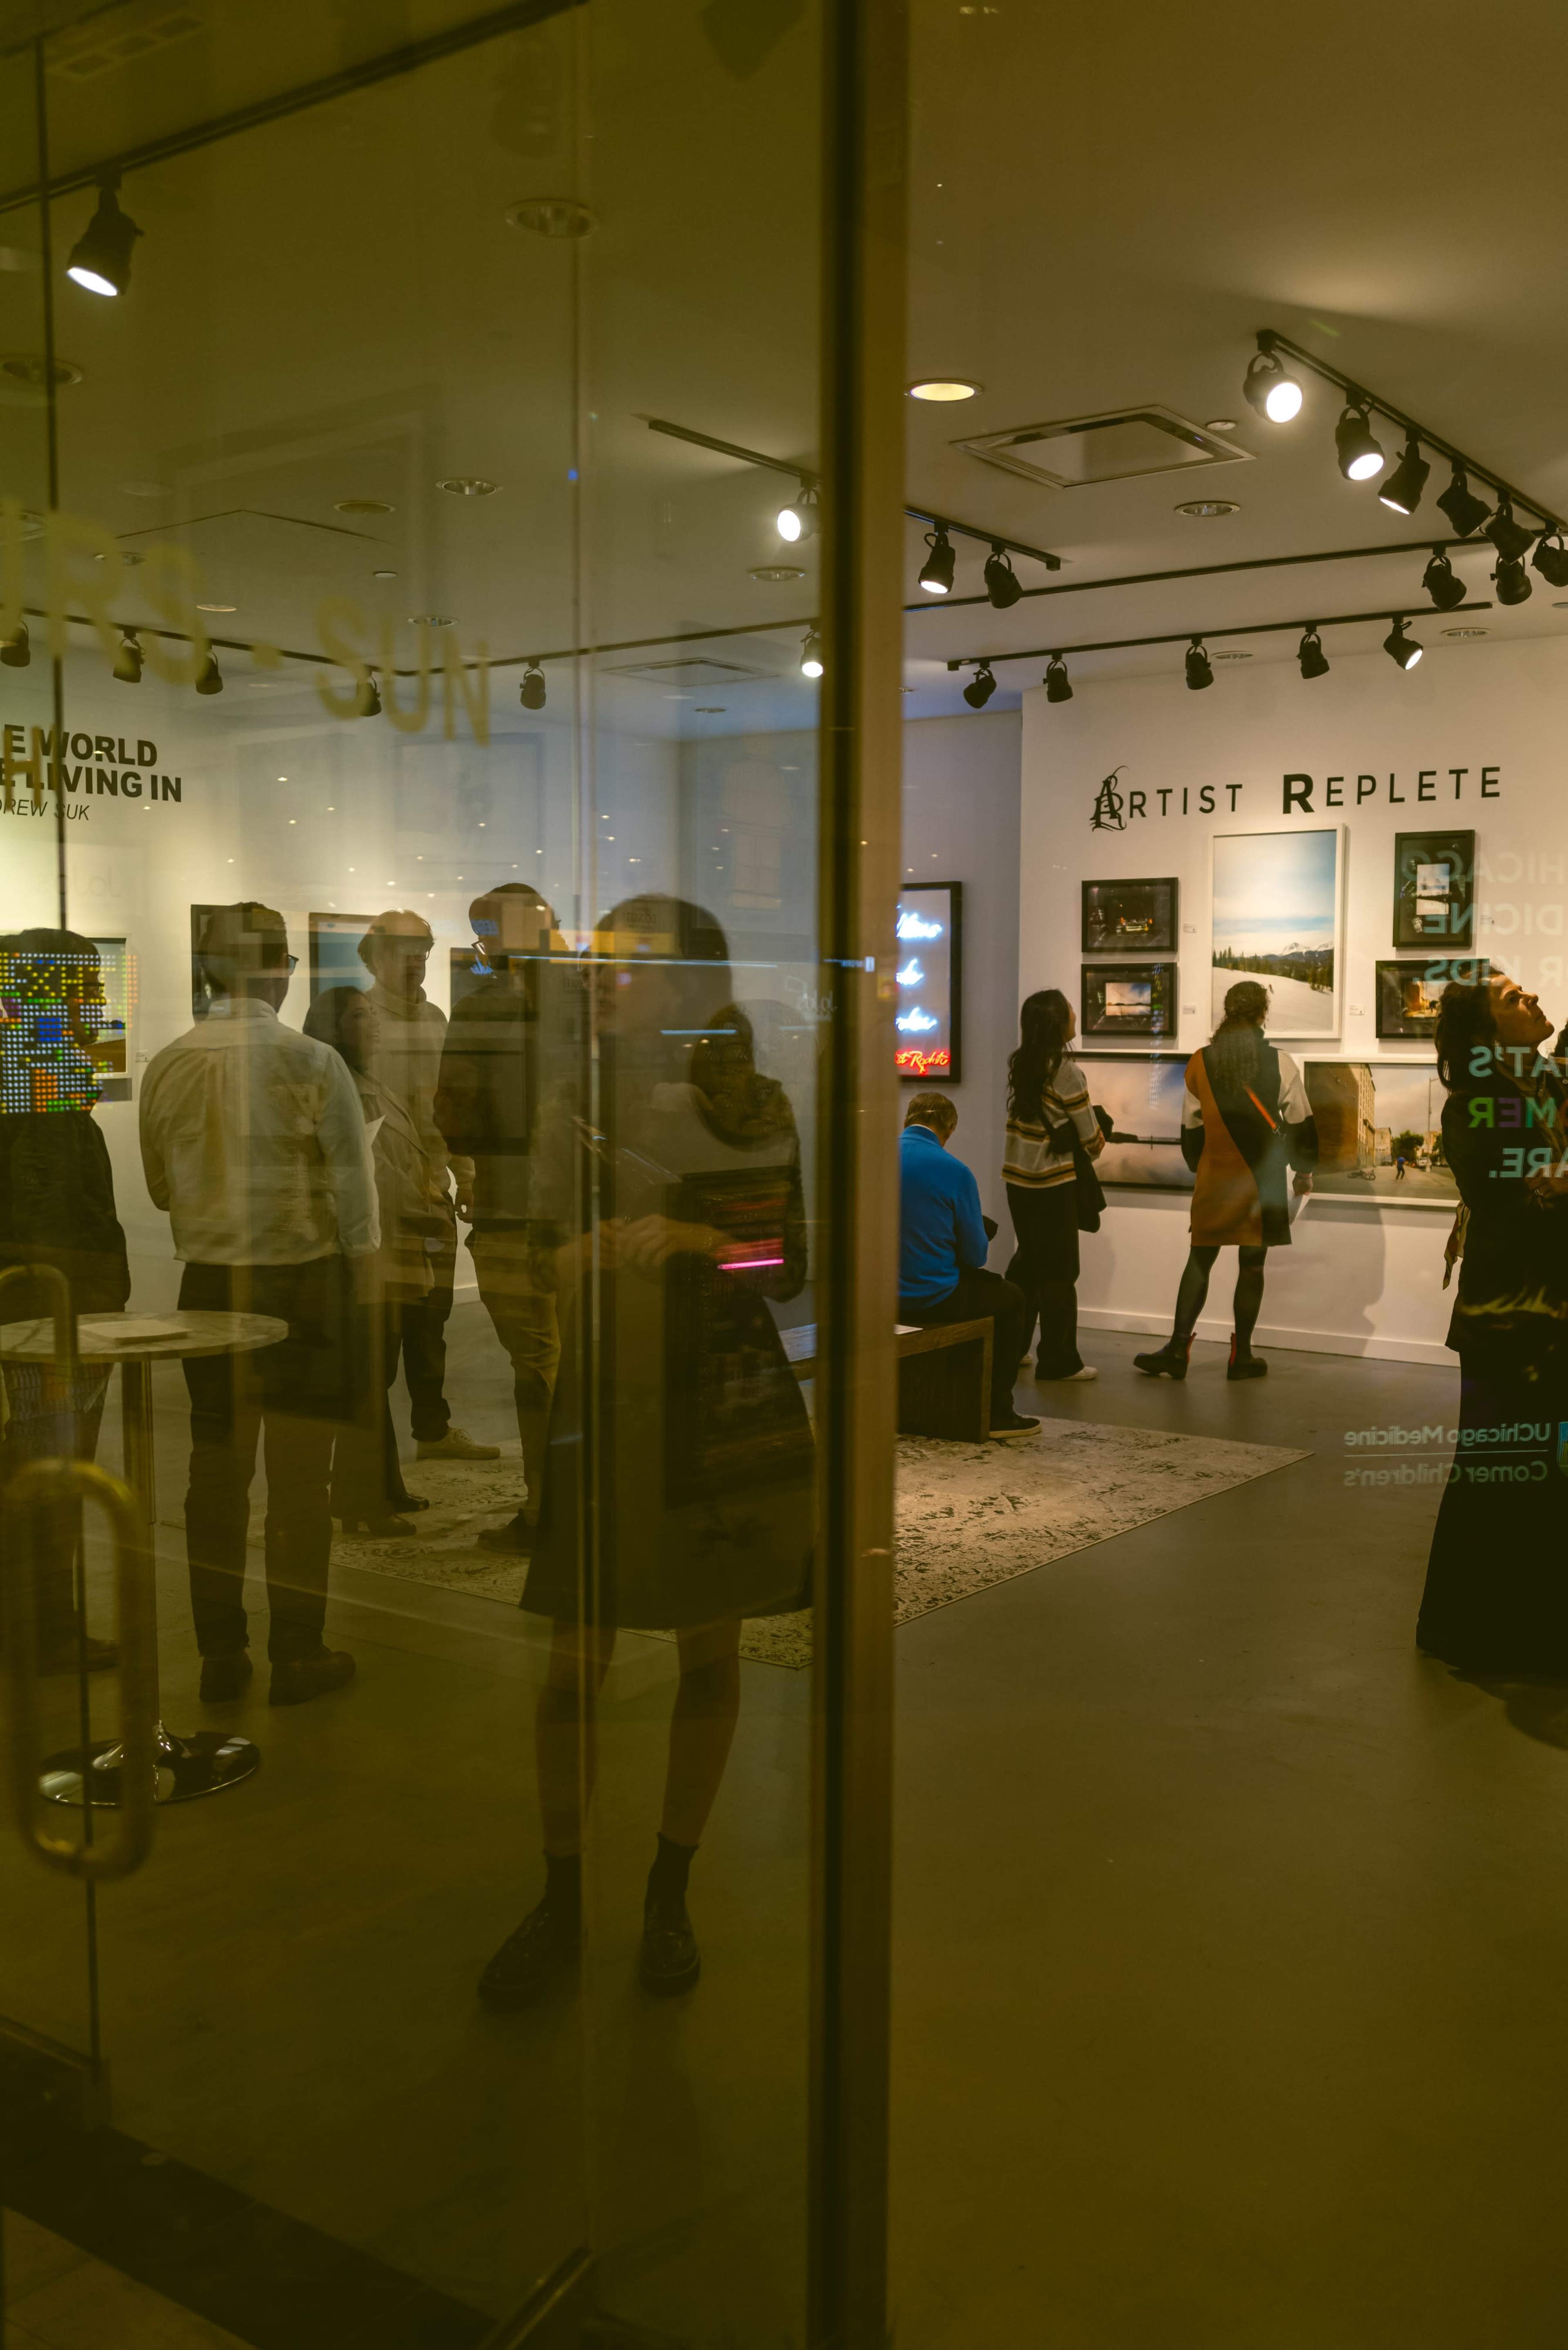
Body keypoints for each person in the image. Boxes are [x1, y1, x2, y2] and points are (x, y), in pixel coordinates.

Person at [478, 897, 813, 2008]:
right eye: (606, 964)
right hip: (612, 1394)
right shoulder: (579, 1099)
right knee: (577, 1657)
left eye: (636, 966)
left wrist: (702, 1242)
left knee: (707, 1651)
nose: (609, 980)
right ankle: (559, 1892)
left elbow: (787, 1265)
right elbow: (537, 1253)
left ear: (695, 987)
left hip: (719, 1394)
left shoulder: (756, 1106)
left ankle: (669, 1888)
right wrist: (582, 1256)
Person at [139, 903, 378, 1705]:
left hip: (207, 1285)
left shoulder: (169, 1064)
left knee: (216, 1473)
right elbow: (355, 1202)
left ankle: (221, 1655)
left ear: (207, 972)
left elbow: (159, 1187)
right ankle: (298, 1651)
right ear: (283, 969)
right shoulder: (312, 1061)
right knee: (300, 1481)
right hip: (302, 1284)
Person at [1416, 972, 1568, 1671]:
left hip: (1547, 1313)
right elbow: (1519, 1201)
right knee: (1497, 1472)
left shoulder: (1545, 1090)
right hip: (1508, 1318)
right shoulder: (1480, 1102)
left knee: (1538, 1475)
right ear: (1485, 1033)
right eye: (1513, 998)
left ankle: (1525, 1631)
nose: (1531, 997)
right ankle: (1475, 1636)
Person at [0, 930, 130, 1673]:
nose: (100, 1005)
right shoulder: (39, 1070)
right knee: (51, 1474)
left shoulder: (28, 1063)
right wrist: (80, 1312)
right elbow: (48, 1219)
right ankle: (46, 1629)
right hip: (51, 1320)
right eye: (86, 988)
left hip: (40, 1315)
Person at [435, 884, 579, 1554]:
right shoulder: (588, 1001)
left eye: (483, 934)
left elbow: (452, 1114)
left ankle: (551, 1509)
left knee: (539, 1369)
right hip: (590, 1214)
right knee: (578, 1362)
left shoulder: (487, 1007)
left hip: (517, 1211)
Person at [304, 986, 444, 1536]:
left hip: (395, 1246)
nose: (376, 1024)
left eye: (373, 1013)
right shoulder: (347, 1087)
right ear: (335, 1027)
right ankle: (362, 1498)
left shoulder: (370, 1081)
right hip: (373, 1251)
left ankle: (382, 1486)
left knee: (376, 1373)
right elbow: (375, 1175)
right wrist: (424, 1207)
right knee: (367, 1374)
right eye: (361, 1016)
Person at [356, 911, 495, 1464]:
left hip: (430, 1191)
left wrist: (464, 1176)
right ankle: (376, 1453)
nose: (417, 960)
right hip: (381, 1199)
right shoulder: (360, 1020)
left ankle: (432, 1429)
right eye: (406, 950)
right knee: (383, 1328)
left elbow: (450, 1111)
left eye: (426, 949)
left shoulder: (436, 1019)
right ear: (376, 955)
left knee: (431, 1321)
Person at [1134, 980, 1316, 1382]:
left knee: (1200, 1258)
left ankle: (1178, 1350)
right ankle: (1243, 1357)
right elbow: (1302, 1122)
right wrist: (1304, 1172)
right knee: (1252, 1265)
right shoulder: (1281, 1063)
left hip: (1216, 1174)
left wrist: (1201, 1167)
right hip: (1263, 1179)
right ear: (1262, 1013)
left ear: (1228, 1011)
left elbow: (1191, 1127)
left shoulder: (1201, 1061)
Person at [898, 1090, 1037, 1437]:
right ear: (949, 1127)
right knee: (1012, 1298)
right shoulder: (955, 1171)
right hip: (933, 1296)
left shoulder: (866, 1157)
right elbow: (976, 1256)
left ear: (908, 1120)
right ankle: (998, 1412)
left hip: (878, 1295)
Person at [1002, 988, 1104, 1383]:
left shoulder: (1022, 1063)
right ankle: (1059, 1361)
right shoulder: (1067, 1072)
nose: (1075, 1014)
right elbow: (1091, 1140)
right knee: (1061, 1272)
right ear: (1058, 1023)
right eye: (1069, 1011)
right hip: (1052, 1185)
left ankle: (1013, 1348)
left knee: (1028, 1263)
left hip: (1017, 1181)